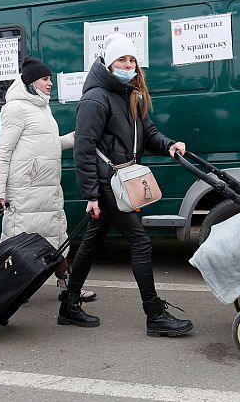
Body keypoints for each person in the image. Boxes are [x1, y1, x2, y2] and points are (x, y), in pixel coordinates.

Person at [62, 34, 193, 337]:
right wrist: (92, 195)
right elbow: (84, 148)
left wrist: (170, 145)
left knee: (92, 242)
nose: (127, 64)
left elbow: (148, 133)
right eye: (121, 59)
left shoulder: (129, 93)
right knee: (141, 242)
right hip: (109, 183)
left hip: (122, 180)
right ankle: (154, 315)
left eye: (131, 59)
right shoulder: (96, 98)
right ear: (109, 63)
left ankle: (68, 305)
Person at [0, 56, 96, 302]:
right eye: (45, 79)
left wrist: (74, 137)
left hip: (47, 188)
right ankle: (8, 291)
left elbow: (47, 145)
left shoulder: (43, 108)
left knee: (57, 238)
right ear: (30, 81)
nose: (50, 83)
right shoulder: (15, 109)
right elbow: (3, 151)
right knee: (21, 244)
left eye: (49, 79)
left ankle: (68, 287)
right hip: (25, 190)